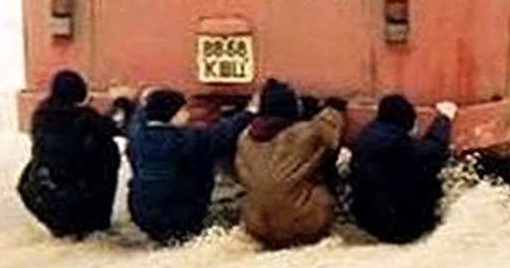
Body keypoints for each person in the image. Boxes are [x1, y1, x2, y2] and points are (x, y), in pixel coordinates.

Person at [126, 87, 255, 245]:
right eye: (184, 110)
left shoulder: (138, 137)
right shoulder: (187, 141)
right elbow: (222, 132)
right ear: (173, 114)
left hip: (141, 213)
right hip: (181, 215)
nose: (188, 114)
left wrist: (143, 102)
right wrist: (250, 111)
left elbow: (137, 120)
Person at [17, 70, 132, 239]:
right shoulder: (85, 118)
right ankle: (95, 223)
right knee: (108, 148)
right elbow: (114, 124)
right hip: (78, 200)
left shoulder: (41, 116)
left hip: (40, 195)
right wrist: (123, 101)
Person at [234, 80, 348, 249]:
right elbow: (330, 128)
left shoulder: (244, 137)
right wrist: (333, 107)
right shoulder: (305, 134)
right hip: (301, 225)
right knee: (325, 184)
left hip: (256, 226)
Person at [350, 95, 457, 244]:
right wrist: (444, 119)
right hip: (401, 229)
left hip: (365, 222)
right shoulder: (400, 146)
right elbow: (434, 151)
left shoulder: (365, 136)